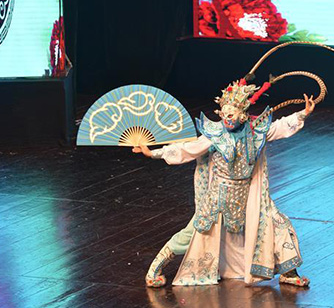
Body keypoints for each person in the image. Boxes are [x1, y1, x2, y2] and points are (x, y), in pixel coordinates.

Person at [133, 80, 313, 287]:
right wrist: (154, 152)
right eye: (224, 114)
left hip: (248, 195)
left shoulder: (256, 132)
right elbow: (188, 149)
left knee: (277, 224)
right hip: (218, 197)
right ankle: (155, 269)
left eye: (232, 114)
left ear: (243, 115)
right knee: (193, 233)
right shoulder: (215, 135)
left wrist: (303, 114)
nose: (227, 118)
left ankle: (288, 273)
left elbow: (279, 127)